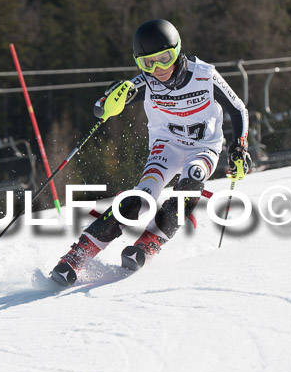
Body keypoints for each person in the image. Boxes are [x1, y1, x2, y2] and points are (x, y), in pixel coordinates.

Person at [50, 19, 251, 287]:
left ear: (178, 51)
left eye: (164, 59)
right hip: (166, 145)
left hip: (203, 148)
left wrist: (239, 146)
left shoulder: (205, 75)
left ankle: (150, 242)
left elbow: (238, 109)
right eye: (147, 63)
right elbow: (101, 108)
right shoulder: (146, 82)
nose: (158, 70)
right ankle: (78, 254)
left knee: (191, 182)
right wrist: (110, 100)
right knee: (140, 198)